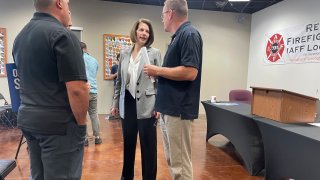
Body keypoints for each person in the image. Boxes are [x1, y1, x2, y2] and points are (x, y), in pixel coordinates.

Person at [12, 0, 89, 179]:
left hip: (29, 121)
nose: (69, 9)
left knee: (38, 176)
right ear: (59, 3)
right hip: (58, 127)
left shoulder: (20, 37)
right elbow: (77, 89)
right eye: (68, 3)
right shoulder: (63, 35)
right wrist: (81, 125)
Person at [144, 0, 203, 179]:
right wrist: (159, 75)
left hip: (178, 111)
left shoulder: (189, 34)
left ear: (169, 13)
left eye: (162, 15)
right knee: (173, 161)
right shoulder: (179, 36)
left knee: (180, 165)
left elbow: (190, 71)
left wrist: (158, 70)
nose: (162, 19)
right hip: (169, 110)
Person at [111, 18, 161, 180]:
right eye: (141, 30)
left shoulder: (155, 53)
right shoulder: (125, 53)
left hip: (148, 105)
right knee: (129, 145)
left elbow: (161, 82)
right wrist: (115, 103)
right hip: (128, 104)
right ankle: (126, 177)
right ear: (135, 31)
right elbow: (119, 81)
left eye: (147, 31)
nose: (144, 33)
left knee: (149, 148)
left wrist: (159, 105)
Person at [80, 42, 102, 146]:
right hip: (93, 90)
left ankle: (85, 139)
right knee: (94, 114)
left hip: (82, 91)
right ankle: (97, 137)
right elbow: (95, 73)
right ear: (86, 48)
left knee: (82, 115)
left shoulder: (78, 59)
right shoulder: (94, 60)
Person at [106, 54, 119, 120]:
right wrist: (117, 73)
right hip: (116, 86)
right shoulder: (114, 67)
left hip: (126, 87)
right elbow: (110, 77)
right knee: (115, 99)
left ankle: (120, 115)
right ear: (118, 58)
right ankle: (113, 115)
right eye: (120, 58)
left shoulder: (127, 66)